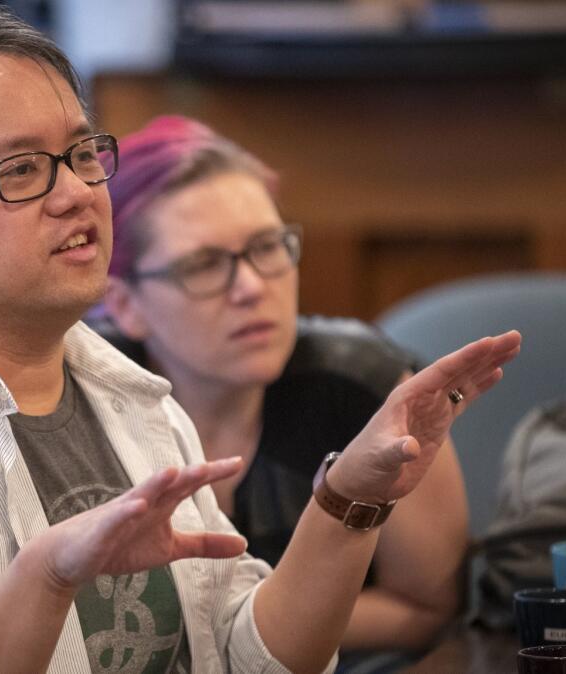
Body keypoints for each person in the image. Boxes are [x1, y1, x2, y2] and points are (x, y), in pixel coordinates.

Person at [0, 7, 521, 674]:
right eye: (20, 171)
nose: (78, 192)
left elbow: (245, 654)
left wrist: (349, 495)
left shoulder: (121, 387)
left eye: (82, 155)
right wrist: (48, 576)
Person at [98, 116, 469, 663]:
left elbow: (426, 610)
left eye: (267, 247)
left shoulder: (366, 385)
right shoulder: (83, 395)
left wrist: (238, 631)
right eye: (203, 264)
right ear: (127, 304)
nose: (251, 287)